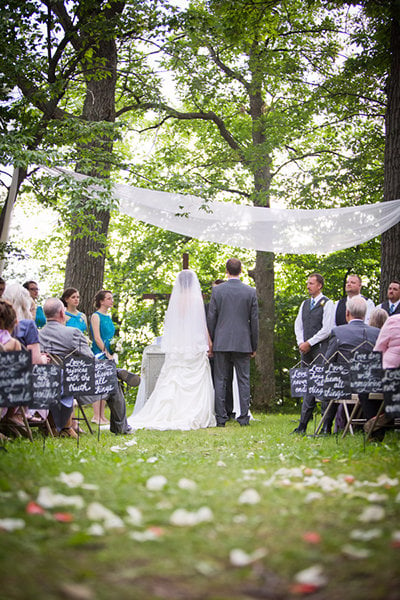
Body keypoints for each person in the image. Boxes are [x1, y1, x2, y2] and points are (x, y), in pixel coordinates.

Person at [128, 270, 216, 430]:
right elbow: (202, 324)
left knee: (173, 377)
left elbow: (172, 324)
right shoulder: (196, 299)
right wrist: (209, 343)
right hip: (194, 344)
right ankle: (191, 410)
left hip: (179, 344)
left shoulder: (176, 300)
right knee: (195, 376)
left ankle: (169, 411)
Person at [39, 298, 133, 437]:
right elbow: (90, 360)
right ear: (61, 313)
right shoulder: (72, 333)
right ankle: (121, 428)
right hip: (76, 384)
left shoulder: (38, 334)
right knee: (114, 383)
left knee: (110, 373)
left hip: (47, 384)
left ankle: (117, 372)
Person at [207, 258, 258, 427]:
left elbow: (211, 318)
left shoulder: (218, 291)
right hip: (243, 342)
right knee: (243, 380)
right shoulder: (250, 291)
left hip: (221, 341)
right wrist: (254, 345)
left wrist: (213, 341)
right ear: (241, 270)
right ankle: (243, 417)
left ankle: (221, 418)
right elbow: (254, 321)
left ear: (226, 271)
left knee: (220, 379)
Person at [322, 296, 380, 434]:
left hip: (345, 384)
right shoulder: (376, 333)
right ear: (365, 314)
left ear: (347, 313)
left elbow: (328, 361)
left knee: (330, 381)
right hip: (370, 385)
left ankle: (326, 427)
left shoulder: (338, 332)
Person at [293, 272, 335, 434]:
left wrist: (309, 342)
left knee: (322, 387)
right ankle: (302, 426)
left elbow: (327, 329)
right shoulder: (304, 304)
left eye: (311, 283)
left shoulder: (327, 303)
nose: (308, 286)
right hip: (306, 351)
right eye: (307, 283)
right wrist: (300, 343)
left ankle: (326, 427)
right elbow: (298, 325)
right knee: (307, 387)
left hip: (320, 350)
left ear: (319, 286)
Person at [363, 313, 400, 440]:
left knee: (365, 390)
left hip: (391, 374)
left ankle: (376, 432)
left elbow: (378, 351)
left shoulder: (393, 321)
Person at [90, 289, 115, 425]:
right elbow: (97, 338)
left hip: (109, 351)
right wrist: (106, 353)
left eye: (111, 298)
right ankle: (96, 415)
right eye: (108, 298)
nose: (111, 301)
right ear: (101, 301)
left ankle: (102, 415)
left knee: (106, 383)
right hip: (99, 352)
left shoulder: (108, 317)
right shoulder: (96, 316)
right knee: (98, 382)